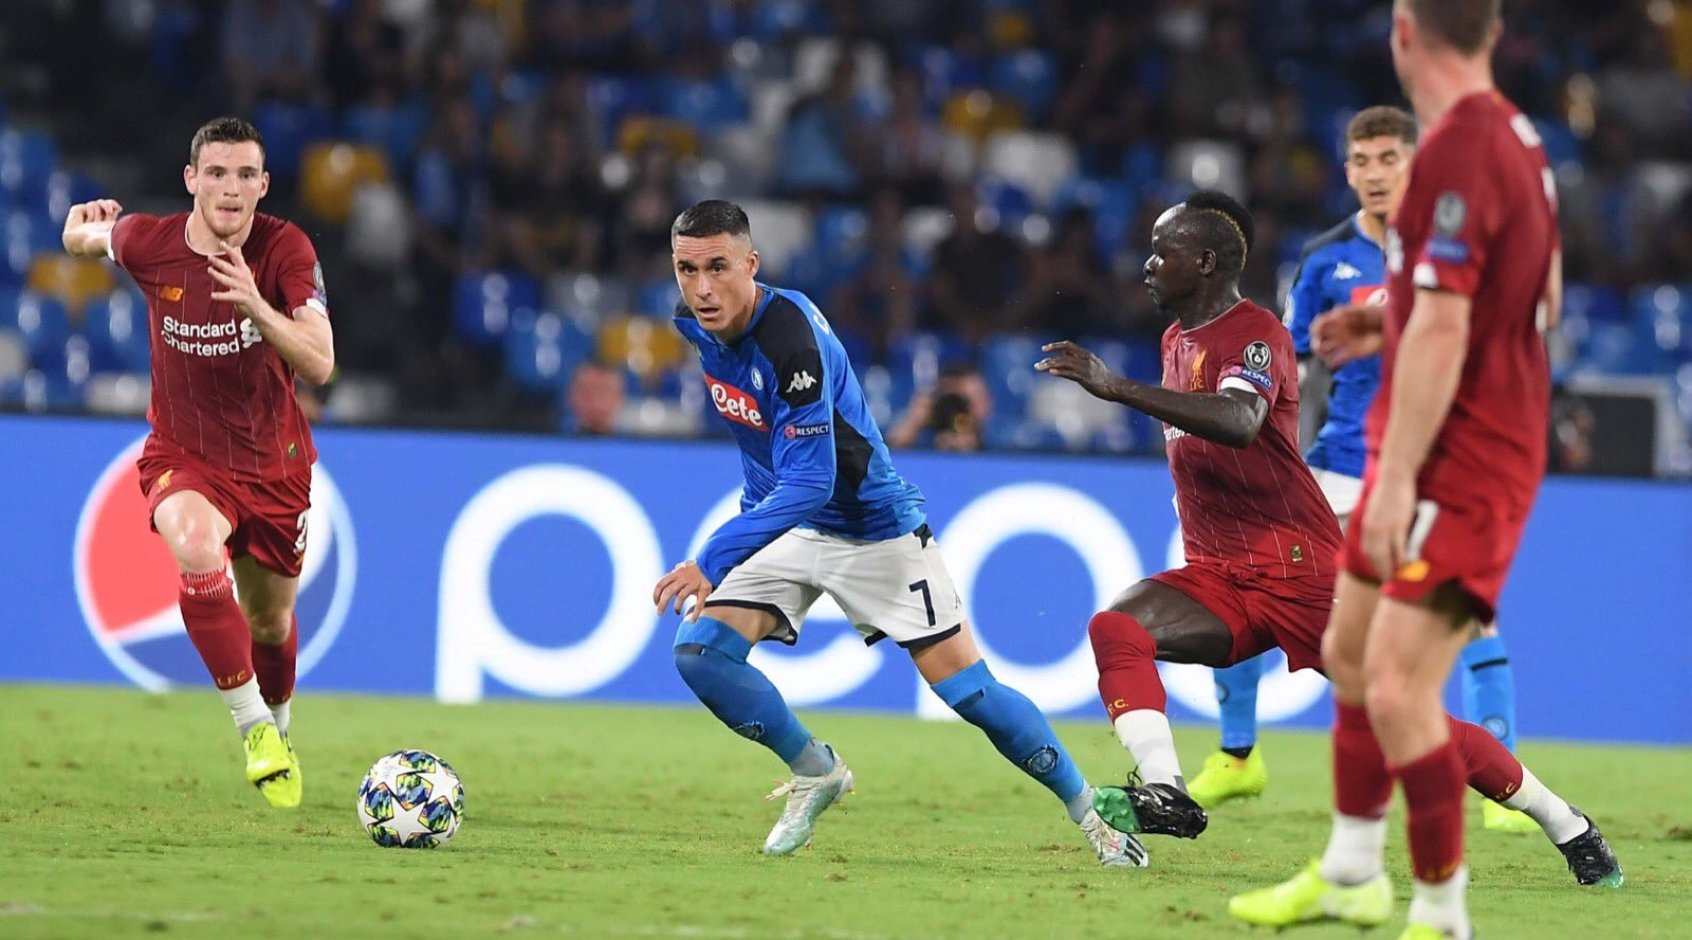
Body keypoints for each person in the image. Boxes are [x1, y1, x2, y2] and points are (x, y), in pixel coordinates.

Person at [1036, 191, 1619, 894]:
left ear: (1206, 262)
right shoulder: (1174, 341)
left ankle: (1565, 822)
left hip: (1300, 572)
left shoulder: (1257, 335)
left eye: (1163, 252)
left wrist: (1116, 388)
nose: (1148, 265)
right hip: (1221, 574)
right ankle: (1168, 792)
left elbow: (1240, 420)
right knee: (1117, 627)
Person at [1231, 3, 1624, 935]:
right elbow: (1538, 296)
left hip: (1460, 462)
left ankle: (1442, 910)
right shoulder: (1519, 139)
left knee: (1401, 687)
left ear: (1406, 33)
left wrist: (1399, 476)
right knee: (1348, 655)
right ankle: (1352, 872)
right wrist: (1388, 318)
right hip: (1450, 446)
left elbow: (1451, 329)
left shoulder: (1455, 153)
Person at [652, 199, 1145, 867]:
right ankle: (817, 769)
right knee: (699, 653)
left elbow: (813, 480)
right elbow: (758, 435)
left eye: (718, 267)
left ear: (752, 264)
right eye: (687, 270)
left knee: (970, 693)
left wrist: (714, 557)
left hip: (871, 529)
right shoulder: (696, 325)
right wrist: (750, 523)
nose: (702, 288)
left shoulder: (790, 339)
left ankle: (1092, 816)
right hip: (790, 524)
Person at [1194, 107, 1530, 836]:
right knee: (1247, 584)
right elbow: (1286, 363)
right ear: (1346, 171)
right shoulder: (1325, 259)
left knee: (1470, 616)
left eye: (1390, 159)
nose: (1376, 174)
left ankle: (1501, 779)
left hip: (1438, 470)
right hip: (1342, 463)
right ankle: (1237, 754)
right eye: (1363, 161)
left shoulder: (1457, 251)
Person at [60, 117, 334, 808]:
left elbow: (320, 362)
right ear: (191, 180)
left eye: (245, 175)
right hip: (185, 455)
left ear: (264, 185)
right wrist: (76, 231)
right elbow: (90, 239)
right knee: (193, 542)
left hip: (274, 467)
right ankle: (254, 731)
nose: (230, 189)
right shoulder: (151, 243)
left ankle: (280, 728)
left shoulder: (286, 250)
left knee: (269, 624)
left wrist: (257, 306)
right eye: (216, 173)